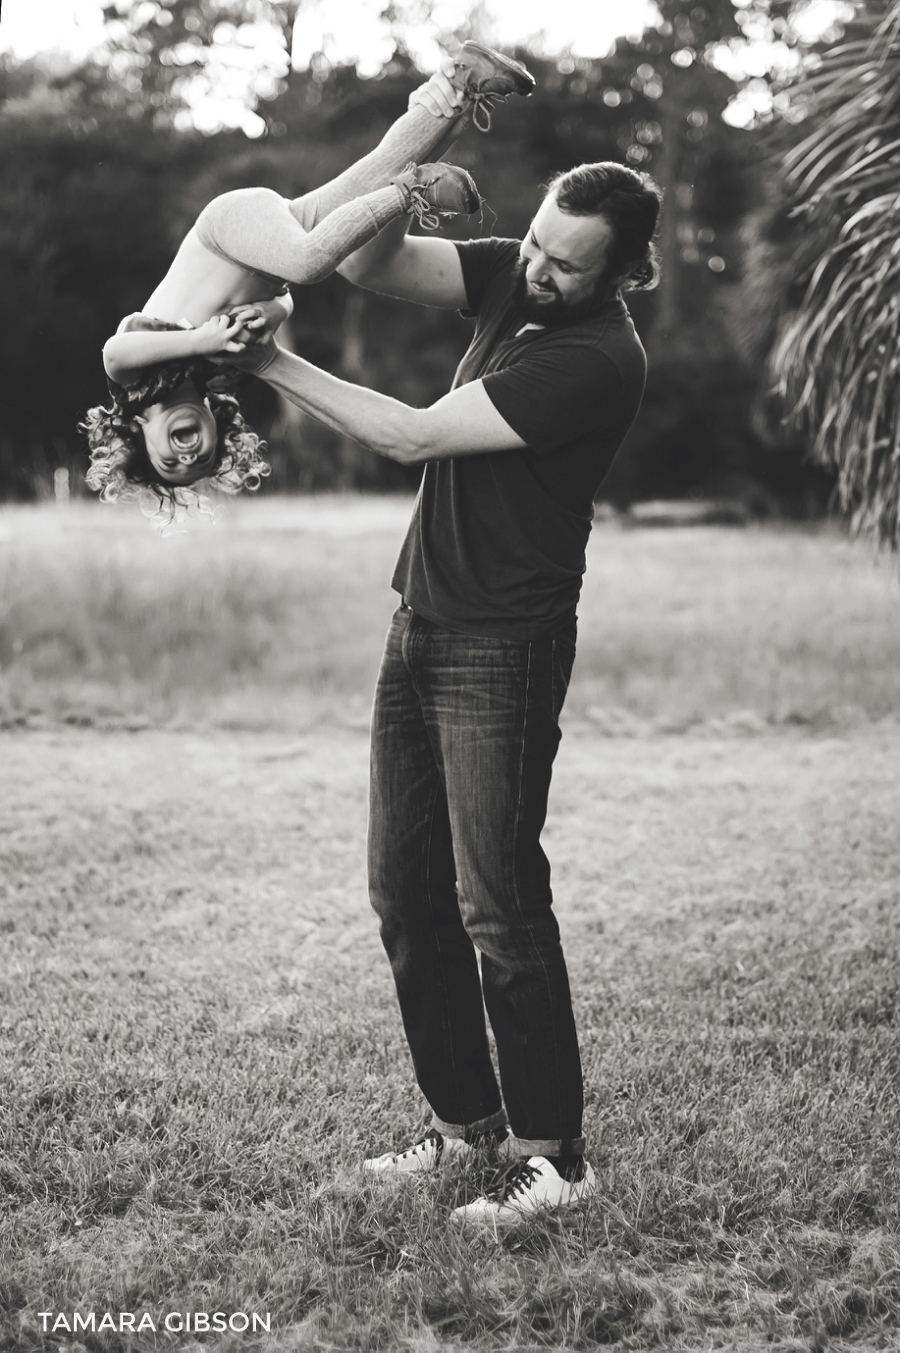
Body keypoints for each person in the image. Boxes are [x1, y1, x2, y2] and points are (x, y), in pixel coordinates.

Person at [225, 117, 662, 1225]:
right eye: (537, 246)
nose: (537, 268)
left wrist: (270, 358)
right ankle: (462, 1130)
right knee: (405, 897)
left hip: (502, 650)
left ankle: (554, 1158)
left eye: (566, 261)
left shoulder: (596, 355)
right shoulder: (519, 276)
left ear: (624, 271)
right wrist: (418, 194)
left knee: (499, 904)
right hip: (418, 624)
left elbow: (415, 436)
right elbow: (374, 262)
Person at [80, 44, 535, 523]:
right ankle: (463, 85)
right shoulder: (211, 370)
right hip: (272, 247)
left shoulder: (137, 381)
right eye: (198, 464)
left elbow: (115, 351)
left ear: (138, 432)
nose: (187, 458)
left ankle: (411, 191)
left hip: (227, 233)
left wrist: (202, 337)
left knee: (313, 261)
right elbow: (284, 301)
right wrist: (270, 316)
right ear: (216, 425)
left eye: (168, 462)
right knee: (375, 171)